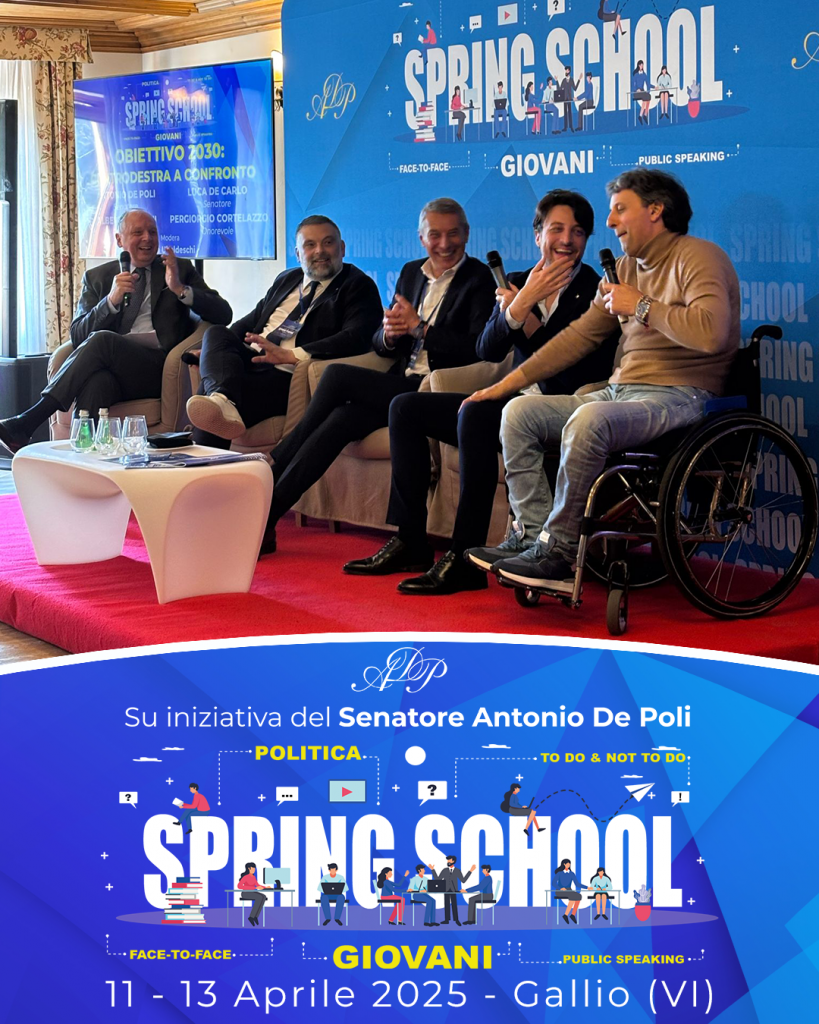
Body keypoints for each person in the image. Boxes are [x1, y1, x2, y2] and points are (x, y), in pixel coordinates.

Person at [463, 169, 739, 594]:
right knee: (518, 413)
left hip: (682, 394)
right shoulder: (625, 267)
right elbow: (578, 338)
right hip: (621, 392)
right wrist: (506, 385)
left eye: (619, 210)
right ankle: (532, 538)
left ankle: (559, 552)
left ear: (655, 210)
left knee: (589, 419)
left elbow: (712, 334)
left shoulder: (700, 256)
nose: (610, 222)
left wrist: (641, 306)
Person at [344, 189, 617, 594]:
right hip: (513, 403)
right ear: (538, 234)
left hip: (561, 409)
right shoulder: (517, 281)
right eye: (556, 229)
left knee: (474, 414)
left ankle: (464, 558)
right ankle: (411, 540)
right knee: (405, 408)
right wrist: (518, 306)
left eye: (577, 232)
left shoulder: (596, 290)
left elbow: (572, 370)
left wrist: (527, 319)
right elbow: (486, 349)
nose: (566, 240)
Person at [259, 198, 495, 555]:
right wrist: (389, 335)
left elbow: (478, 349)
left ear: (467, 234)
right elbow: (383, 346)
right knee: (341, 420)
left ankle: (278, 459)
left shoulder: (478, 279)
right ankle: (267, 518)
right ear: (422, 238)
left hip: (437, 389)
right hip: (402, 381)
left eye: (453, 234)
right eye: (435, 235)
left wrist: (421, 330)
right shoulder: (412, 273)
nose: (444, 244)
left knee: (337, 376)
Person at [0, 209, 232, 455]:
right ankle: (86, 458)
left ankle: (30, 420)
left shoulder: (179, 269)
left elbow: (223, 314)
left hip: (157, 370)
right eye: (138, 232)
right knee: (97, 382)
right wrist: (110, 301)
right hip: (113, 370)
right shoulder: (98, 277)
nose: (147, 238)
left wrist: (179, 289)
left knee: (103, 341)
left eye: (153, 232)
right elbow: (78, 335)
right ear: (120, 239)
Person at [185, 216, 382, 446]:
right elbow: (250, 322)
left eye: (328, 242)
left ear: (342, 248)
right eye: (310, 245)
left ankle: (218, 409)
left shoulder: (357, 285)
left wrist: (291, 355)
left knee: (213, 399)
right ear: (298, 254)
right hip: (252, 360)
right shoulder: (287, 279)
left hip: (286, 375)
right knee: (216, 334)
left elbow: (355, 338)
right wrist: (213, 352)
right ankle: (221, 399)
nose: (320, 251)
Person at [429, 855, 476, 926]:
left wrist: (470, 871)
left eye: (449, 860)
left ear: (453, 861)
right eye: (447, 860)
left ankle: (456, 920)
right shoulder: (444, 870)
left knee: (454, 905)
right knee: (446, 905)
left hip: (454, 890)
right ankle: (446, 920)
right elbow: (438, 879)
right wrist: (433, 870)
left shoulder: (457, 870)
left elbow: (463, 880)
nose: (448, 861)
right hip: (446, 890)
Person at [554, 858, 589, 923]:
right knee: (573, 896)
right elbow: (553, 883)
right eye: (567, 863)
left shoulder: (571, 873)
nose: (569, 865)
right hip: (560, 890)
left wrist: (587, 887)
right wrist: (560, 888)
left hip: (569, 890)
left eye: (569, 863)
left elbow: (577, 884)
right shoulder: (559, 873)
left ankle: (572, 914)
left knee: (579, 896)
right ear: (564, 864)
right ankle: (565, 915)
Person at [237, 862, 273, 927]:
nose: (254, 870)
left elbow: (257, 885)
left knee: (263, 896)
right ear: (248, 868)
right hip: (245, 893)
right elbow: (239, 886)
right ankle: (251, 917)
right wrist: (254, 888)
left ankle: (255, 916)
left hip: (252, 892)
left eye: (254, 868)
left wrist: (265, 887)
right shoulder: (245, 877)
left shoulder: (253, 877)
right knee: (259, 897)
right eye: (252, 868)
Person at [559, 66, 580, 133]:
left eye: (567, 70)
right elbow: (560, 89)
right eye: (565, 70)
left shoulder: (571, 80)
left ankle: (571, 127)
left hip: (569, 98)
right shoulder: (563, 80)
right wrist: (556, 81)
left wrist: (579, 80)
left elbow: (575, 88)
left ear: (569, 71)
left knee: (570, 113)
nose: (566, 72)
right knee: (565, 113)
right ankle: (565, 127)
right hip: (565, 99)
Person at [632, 60, 653, 125]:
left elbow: (648, 84)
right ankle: (640, 115)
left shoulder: (644, 74)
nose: (642, 66)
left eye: (642, 65)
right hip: (637, 92)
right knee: (645, 97)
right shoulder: (636, 75)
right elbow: (633, 85)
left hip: (642, 91)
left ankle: (645, 114)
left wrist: (654, 87)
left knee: (648, 96)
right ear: (638, 66)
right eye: (640, 65)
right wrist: (636, 89)